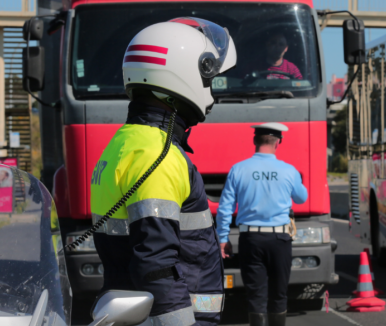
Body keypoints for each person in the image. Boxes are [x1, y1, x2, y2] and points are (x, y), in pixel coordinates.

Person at [90, 17, 237, 326]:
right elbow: (155, 266)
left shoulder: (124, 143)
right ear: (183, 74)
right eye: (208, 78)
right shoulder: (158, 156)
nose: (212, 91)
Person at [216, 123, 308, 326]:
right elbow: (302, 198)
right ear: (278, 142)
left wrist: (223, 238)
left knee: (256, 295)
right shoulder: (288, 170)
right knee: (279, 294)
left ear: (254, 141)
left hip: (251, 239)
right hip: (280, 240)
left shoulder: (238, 169)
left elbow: (225, 208)